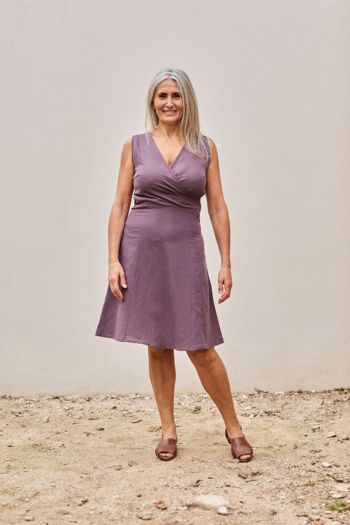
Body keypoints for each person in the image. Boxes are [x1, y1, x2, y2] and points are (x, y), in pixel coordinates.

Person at [95, 68, 253, 462]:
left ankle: (233, 428)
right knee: (158, 344)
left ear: (187, 102)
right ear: (152, 101)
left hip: (185, 251)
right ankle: (168, 430)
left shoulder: (205, 147)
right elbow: (119, 203)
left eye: (177, 96)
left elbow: (216, 206)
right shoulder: (134, 146)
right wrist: (113, 259)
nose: (169, 102)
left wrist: (226, 262)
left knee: (201, 348)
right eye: (162, 95)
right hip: (140, 251)